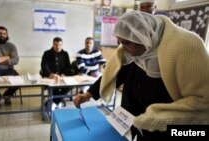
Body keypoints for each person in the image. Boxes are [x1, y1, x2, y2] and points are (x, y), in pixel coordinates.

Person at [74, 11, 209, 140]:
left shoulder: (187, 47)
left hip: (166, 127)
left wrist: (154, 119)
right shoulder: (136, 44)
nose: (123, 47)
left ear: (144, 37)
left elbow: (202, 102)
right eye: (120, 42)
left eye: (127, 43)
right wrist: (89, 94)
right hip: (134, 119)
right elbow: (116, 71)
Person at [40, 37, 73, 110]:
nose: (58, 47)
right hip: (50, 77)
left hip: (62, 77)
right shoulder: (47, 53)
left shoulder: (65, 54)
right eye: (56, 45)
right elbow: (44, 66)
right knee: (54, 87)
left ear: (62, 45)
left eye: (60, 45)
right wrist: (50, 74)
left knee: (70, 86)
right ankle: (56, 102)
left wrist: (63, 74)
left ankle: (53, 103)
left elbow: (68, 66)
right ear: (53, 45)